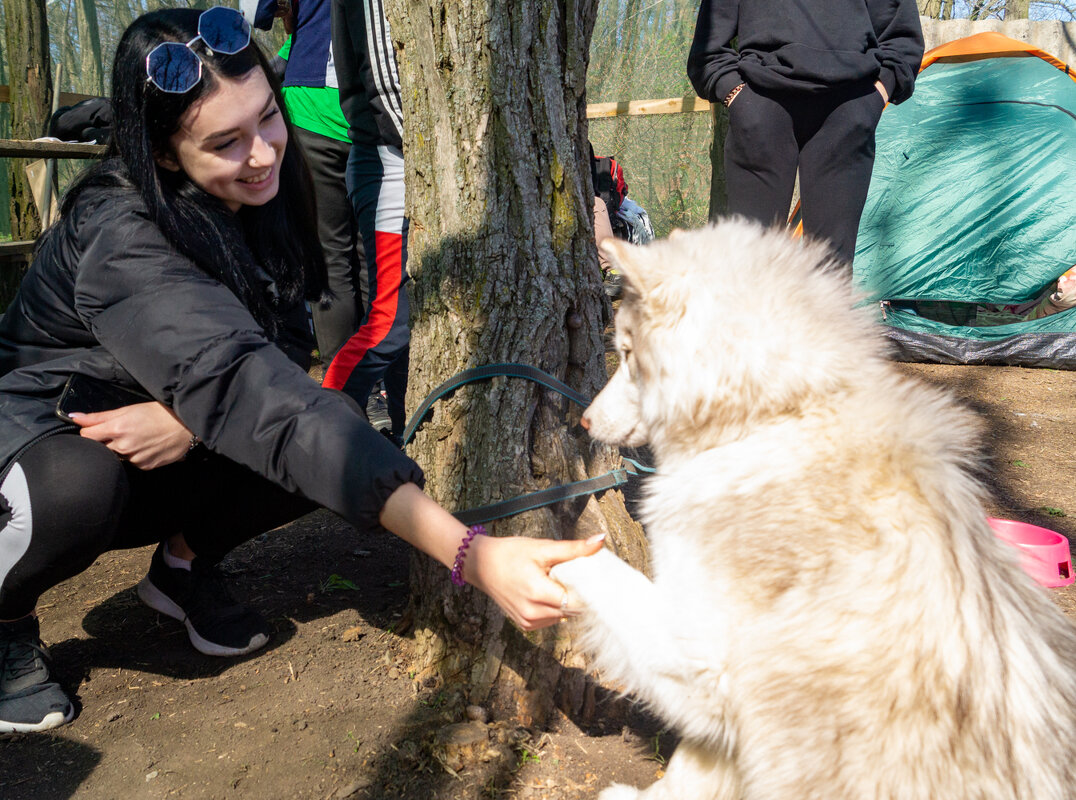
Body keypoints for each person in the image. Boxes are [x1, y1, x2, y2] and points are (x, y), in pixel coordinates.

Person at [0, 7, 600, 735]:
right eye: (225, 142)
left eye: (267, 118)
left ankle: (181, 570)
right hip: (48, 429)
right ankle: (7, 621)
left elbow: (278, 355)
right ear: (162, 155)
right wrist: (467, 552)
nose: (263, 154)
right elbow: (256, 395)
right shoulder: (119, 234)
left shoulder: (268, 188)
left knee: (333, 416)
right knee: (76, 489)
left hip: (169, 421)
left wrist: (186, 420)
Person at [687, 0, 924, 264]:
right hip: (761, 104)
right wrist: (737, 96)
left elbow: (902, 37)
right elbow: (708, 46)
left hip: (847, 109)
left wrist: (872, 99)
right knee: (745, 268)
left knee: (831, 274)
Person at [241, 0, 370, 371]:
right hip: (377, 112)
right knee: (372, 258)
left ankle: (344, 384)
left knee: (329, 257)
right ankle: (378, 379)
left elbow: (256, 12)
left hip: (313, 111)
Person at [327, 0, 411, 443]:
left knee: (406, 330)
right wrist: (420, 149)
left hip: (388, 159)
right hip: (388, 160)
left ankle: (404, 436)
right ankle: (317, 429)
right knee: (389, 324)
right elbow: (383, 83)